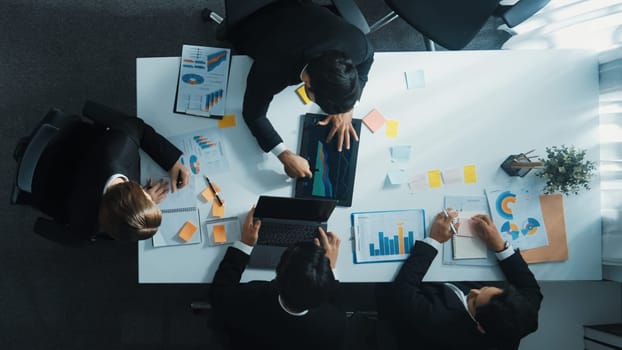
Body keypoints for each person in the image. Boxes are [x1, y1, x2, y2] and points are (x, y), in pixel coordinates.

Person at [226, 0, 374, 179]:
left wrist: (349, 107)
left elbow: (368, 57)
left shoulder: (355, 44)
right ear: (308, 85)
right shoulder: (274, 68)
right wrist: (284, 155)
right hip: (259, 21)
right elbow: (253, 114)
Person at [27, 101, 191, 244]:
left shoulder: (121, 147)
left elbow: (137, 126)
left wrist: (171, 161)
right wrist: (143, 202)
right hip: (52, 176)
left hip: (70, 150)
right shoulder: (87, 227)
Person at [378, 211, 543, 350]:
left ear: (479, 326)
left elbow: (402, 288)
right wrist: (500, 246)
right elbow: (529, 287)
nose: (473, 291)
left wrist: (433, 240)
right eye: (487, 289)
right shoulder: (525, 308)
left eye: (474, 300)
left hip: (423, 293)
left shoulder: (437, 322)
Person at [209, 207, 346, 350]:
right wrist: (328, 269)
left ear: (277, 276)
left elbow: (219, 293)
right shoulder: (335, 325)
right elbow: (335, 302)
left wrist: (245, 245)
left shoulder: (248, 299)